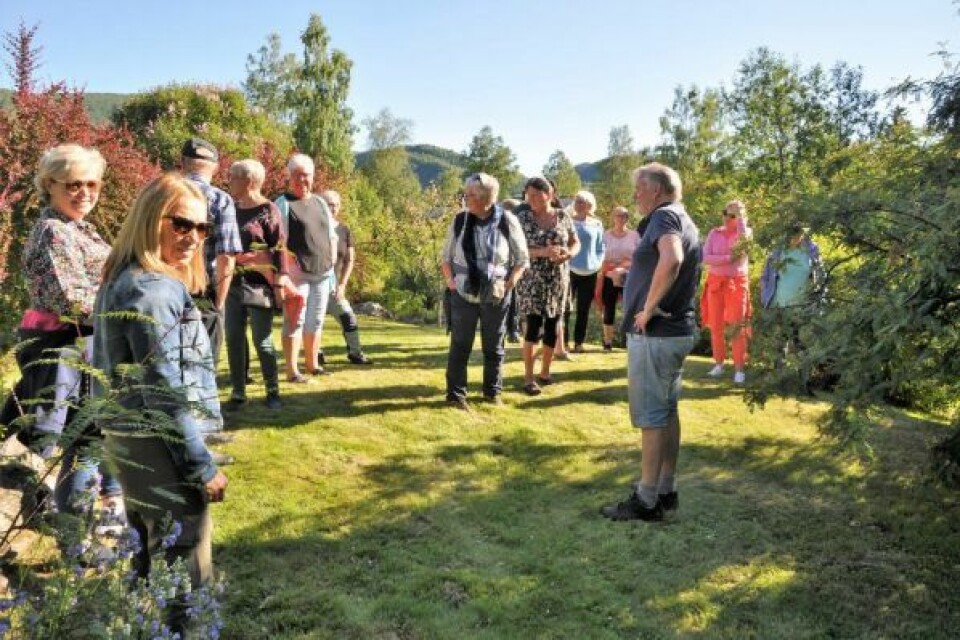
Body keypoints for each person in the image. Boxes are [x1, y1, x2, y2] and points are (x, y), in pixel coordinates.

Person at [93, 173, 228, 635]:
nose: (193, 237)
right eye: (182, 224)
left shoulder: (122, 278)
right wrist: (200, 466)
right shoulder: (152, 290)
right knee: (185, 566)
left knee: (149, 558)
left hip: (128, 440)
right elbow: (164, 391)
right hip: (158, 446)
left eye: (202, 228)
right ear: (151, 219)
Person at [0, 144, 123, 521]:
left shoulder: (77, 227)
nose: (84, 192)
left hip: (83, 343)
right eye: (73, 185)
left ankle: (102, 508)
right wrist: (127, 314)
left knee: (95, 432)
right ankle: (75, 529)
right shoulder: (54, 231)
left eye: (92, 184)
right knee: (84, 437)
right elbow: (71, 300)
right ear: (49, 185)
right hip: (66, 346)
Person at [600, 162, 701, 523]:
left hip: (657, 335)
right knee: (667, 411)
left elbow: (671, 259)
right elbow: (666, 262)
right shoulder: (683, 217)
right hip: (676, 331)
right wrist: (630, 275)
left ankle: (646, 500)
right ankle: (665, 489)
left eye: (639, 189)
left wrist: (647, 308)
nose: (635, 196)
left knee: (652, 416)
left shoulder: (663, 217)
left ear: (656, 190)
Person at [440, 173, 529, 409]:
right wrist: (450, 282)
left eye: (469, 194)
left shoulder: (507, 220)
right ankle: (455, 395)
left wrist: (511, 282)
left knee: (493, 346)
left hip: (497, 293)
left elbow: (522, 259)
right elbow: (445, 257)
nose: (465, 198)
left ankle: (492, 393)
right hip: (462, 291)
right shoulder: (460, 220)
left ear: (484, 197)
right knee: (460, 345)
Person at [224, 159, 287, 411]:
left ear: (248, 181)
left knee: (262, 340)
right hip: (232, 283)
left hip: (260, 284)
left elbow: (279, 248)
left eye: (233, 177)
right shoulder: (230, 209)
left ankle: (273, 391)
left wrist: (280, 282)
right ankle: (238, 392)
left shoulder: (268, 210)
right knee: (234, 338)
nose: (229, 181)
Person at [274, 154, 339, 383]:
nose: (302, 180)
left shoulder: (320, 202)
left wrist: (332, 259)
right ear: (289, 176)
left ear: (313, 176)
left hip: (322, 273)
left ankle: (313, 365)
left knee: (316, 320)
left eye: (307, 175)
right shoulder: (282, 204)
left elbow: (331, 234)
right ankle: (292, 371)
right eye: (297, 175)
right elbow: (278, 243)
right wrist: (285, 272)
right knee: (295, 321)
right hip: (296, 275)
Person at [179, 137, 241, 373]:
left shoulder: (160, 193)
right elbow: (227, 256)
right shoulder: (220, 199)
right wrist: (219, 304)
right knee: (203, 366)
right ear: (215, 168)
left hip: (162, 284)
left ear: (182, 162)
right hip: (204, 290)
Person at [515, 177, 580, 395]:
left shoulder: (563, 216)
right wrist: (543, 252)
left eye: (536, 195)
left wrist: (568, 254)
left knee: (553, 325)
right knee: (533, 327)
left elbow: (575, 241)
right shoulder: (522, 218)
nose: (531, 199)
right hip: (531, 280)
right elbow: (516, 250)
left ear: (549, 195)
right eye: (528, 195)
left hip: (558, 279)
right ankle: (528, 377)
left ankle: (545, 372)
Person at [317, 189, 374, 366]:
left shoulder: (344, 230)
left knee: (348, 317)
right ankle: (315, 354)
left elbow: (350, 259)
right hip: (313, 283)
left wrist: (342, 284)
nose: (333, 208)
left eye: (336, 205)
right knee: (314, 321)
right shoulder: (312, 226)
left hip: (333, 286)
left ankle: (355, 353)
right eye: (329, 204)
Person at [701, 199, 753, 384]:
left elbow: (743, 247)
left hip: (737, 283)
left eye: (732, 215)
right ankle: (719, 363)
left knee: (737, 326)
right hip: (715, 282)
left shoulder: (745, 232)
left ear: (739, 217)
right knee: (716, 325)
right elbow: (705, 257)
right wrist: (728, 258)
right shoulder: (714, 233)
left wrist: (740, 217)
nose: (726, 217)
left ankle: (739, 368)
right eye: (725, 213)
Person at [759, 222, 826, 366]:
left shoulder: (812, 250)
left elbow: (821, 276)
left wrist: (820, 298)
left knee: (801, 344)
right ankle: (779, 372)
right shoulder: (778, 251)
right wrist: (765, 296)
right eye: (792, 235)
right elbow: (765, 277)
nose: (795, 238)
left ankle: (803, 373)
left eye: (798, 234)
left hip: (803, 306)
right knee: (779, 345)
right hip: (780, 304)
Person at [565, 190, 605, 353]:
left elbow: (601, 247)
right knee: (566, 308)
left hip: (590, 271)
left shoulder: (597, 224)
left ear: (589, 204)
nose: (578, 204)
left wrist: (598, 263)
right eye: (576, 201)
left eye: (581, 201)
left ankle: (579, 343)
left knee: (584, 309)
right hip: (570, 269)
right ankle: (563, 343)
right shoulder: (568, 221)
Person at [598, 206, 640, 351]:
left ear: (627, 218)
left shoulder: (634, 235)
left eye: (624, 216)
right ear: (613, 217)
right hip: (609, 275)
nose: (621, 218)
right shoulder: (605, 235)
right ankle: (607, 342)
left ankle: (632, 340)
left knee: (631, 308)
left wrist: (625, 264)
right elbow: (599, 254)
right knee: (609, 308)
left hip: (629, 275)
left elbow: (640, 255)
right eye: (618, 215)